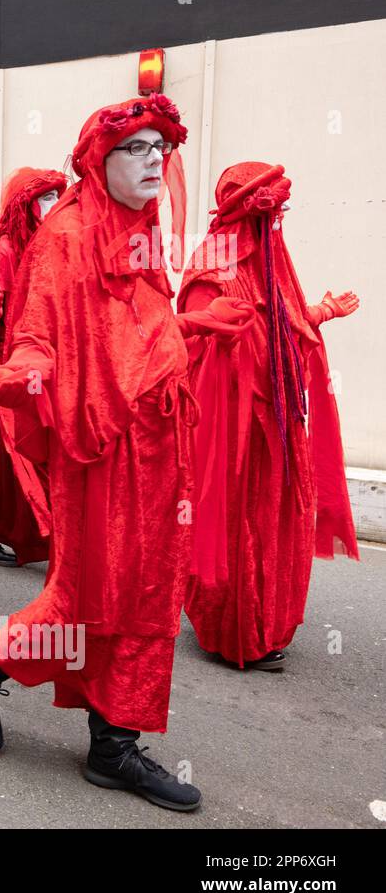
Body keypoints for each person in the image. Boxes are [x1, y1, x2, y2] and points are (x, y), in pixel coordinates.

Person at [0, 94, 255, 813]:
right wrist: (23, 370)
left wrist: (194, 324)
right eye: (139, 148)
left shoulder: (142, 227)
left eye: (162, 148)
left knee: (150, 598)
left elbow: (138, 331)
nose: (156, 160)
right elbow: (40, 330)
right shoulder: (63, 236)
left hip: (159, 453)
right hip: (101, 457)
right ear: (101, 159)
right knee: (84, 601)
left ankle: (114, 744)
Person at [178, 162, 359, 671]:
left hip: (278, 422)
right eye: (271, 210)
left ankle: (265, 622)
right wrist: (216, 334)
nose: (277, 220)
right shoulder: (211, 266)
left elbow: (283, 325)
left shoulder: (271, 261)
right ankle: (231, 629)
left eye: (280, 211)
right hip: (232, 427)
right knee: (236, 523)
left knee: (279, 520)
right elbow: (189, 347)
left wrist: (320, 312)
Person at [0, 168, 66, 568]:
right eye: (44, 199)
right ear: (25, 206)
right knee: (20, 449)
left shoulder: (44, 247)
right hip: (15, 366)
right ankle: (20, 531)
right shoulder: (5, 250)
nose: (54, 207)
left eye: (57, 198)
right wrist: (7, 361)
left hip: (39, 365)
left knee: (13, 451)